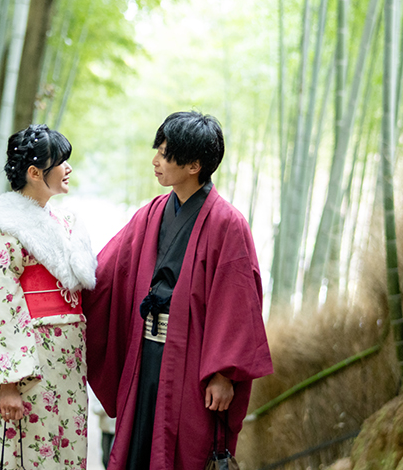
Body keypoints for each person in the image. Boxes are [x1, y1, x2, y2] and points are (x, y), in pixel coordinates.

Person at [83, 111, 273, 470]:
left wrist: (224, 373)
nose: (156, 160)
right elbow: (106, 273)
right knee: (139, 443)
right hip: (144, 355)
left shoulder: (227, 223)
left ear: (193, 165)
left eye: (165, 153)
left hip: (195, 360)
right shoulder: (151, 214)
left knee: (187, 447)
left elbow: (238, 301)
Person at [0, 124, 97, 469]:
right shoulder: (5, 230)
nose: (68, 168)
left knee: (69, 448)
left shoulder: (66, 221)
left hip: (68, 358)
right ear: (35, 172)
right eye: (61, 161)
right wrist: (7, 384)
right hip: (30, 363)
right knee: (32, 451)